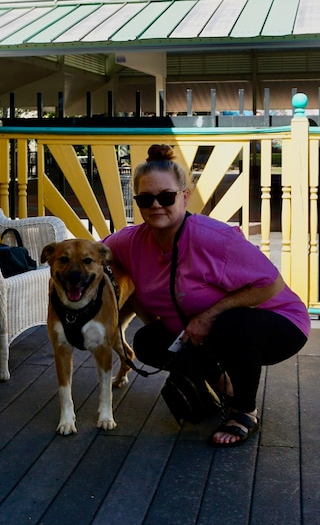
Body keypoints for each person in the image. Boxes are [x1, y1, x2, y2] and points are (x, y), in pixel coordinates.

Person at [103, 144, 309, 446]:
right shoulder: (131, 241)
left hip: (280, 324)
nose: (156, 205)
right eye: (146, 199)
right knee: (148, 341)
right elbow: (92, 252)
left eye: (167, 197)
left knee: (230, 323)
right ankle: (222, 383)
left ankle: (245, 410)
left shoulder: (214, 239)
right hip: (200, 332)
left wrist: (209, 315)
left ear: (185, 197)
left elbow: (272, 285)